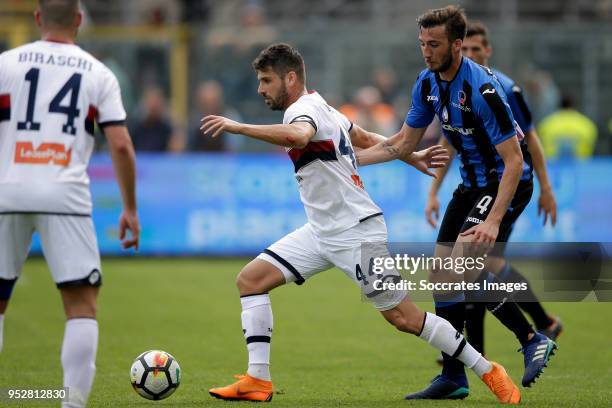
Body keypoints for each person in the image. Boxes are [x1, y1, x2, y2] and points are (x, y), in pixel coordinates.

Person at [201, 43, 521, 404]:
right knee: (251, 280)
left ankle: (487, 370)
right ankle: (257, 380)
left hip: (355, 232)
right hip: (322, 230)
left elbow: (298, 136)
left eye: (266, 80)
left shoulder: (301, 111)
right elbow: (364, 139)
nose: (260, 89)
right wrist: (409, 154)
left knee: (404, 317)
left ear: (290, 78)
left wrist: (239, 127)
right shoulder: (322, 107)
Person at [352, 6, 557, 400]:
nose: (426, 51)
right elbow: (402, 144)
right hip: (470, 187)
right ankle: (453, 376)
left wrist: (494, 221)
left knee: (459, 268)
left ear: (457, 45)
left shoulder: (483, 90)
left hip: (504, 185)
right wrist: (348, 160)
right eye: (422, 44)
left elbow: (516, 161)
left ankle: (532, 337)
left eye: (435, 44)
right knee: (441, 277)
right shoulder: (427, 83)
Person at [0, 1, 140, 407]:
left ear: (38, 18)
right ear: (79, 21)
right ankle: (71, 402)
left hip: (7, 190)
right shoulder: (98, 72)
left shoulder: (6, 64)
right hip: (65, 194)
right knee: (81, 305)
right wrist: (129, 209)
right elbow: (120, 144)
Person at [424, 21, 562, 365]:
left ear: (487, 51)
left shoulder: (501, 88)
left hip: (506, 183)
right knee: (467, 266)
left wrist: (546, 188)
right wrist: (433, 190)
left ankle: (525, 336)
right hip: (472, 185)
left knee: (472, 263)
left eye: (475, 49)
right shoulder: (443, 85)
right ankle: (536, 326)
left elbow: (528, 141)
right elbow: (449, 141)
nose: (468, 54)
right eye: (465, 48)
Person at [188, 80, 244, 151]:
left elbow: (235, 147)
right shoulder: (195, 120)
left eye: (213, 102)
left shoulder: (230, 118)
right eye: (205, 103)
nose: (209, 107)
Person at [538, 94, 598, 159]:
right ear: (574, 106)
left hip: (551, 166)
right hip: (581, 166)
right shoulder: (588, 125)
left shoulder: (545, 124)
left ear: (560, 105)